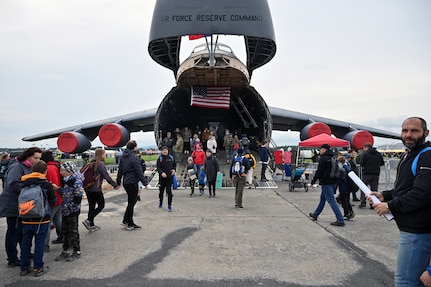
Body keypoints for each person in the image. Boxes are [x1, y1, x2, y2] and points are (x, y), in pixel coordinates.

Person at [369, 117, 431, 286]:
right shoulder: (410, 155)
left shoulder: (427, 156)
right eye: (405, 131)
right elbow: (405, 188)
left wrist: (389, 205)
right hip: (410, 229)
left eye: (414, 131)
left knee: (405, 282)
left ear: (426, 133)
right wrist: (385, 195)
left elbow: (422, 194)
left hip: (418, 232)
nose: (408, 135)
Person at [0, 147, 42, 267]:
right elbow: (12, 185)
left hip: (23, 204)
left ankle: (25, 252)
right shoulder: (17, 167)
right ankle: (12, 258)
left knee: (22, 232)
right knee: (13, 231)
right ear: (27, 157)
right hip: (13, 204)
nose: (37, 161)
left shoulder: (28, 167)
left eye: (39, 158)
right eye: (35, 158)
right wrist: (30, 190)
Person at [19, 160, 56, 276]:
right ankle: (38, 267)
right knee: (39, 243)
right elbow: (53, 200)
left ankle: (24, 267)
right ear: (45, 171)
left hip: (26, 216)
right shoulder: (45, 184)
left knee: (25, 242)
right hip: (41, 218)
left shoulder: (24, 183)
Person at [82, 148, 120, 232]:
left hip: (88, 188)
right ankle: (88, 220)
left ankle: (91, 225)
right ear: (101, 154)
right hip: (96, 188)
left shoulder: (90, 163)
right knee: (101, 205)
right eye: (104, 153)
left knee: (91, 206)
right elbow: (106, 176)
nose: (105, 155)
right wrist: (115, 185)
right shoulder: (100, 164)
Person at [309, 144, 345, 227]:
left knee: (331, 201)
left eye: (320, 149)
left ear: (324, 149)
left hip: (326, 182)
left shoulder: (324, 158)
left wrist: (313, 181)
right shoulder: (333, 157)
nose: (320, 151)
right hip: (333, 181)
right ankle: (315, 214)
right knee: (322, 199)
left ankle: (340, 219)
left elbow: (319, 171)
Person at [54, 161, 83, 262]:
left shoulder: (76, 181)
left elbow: (78, 196)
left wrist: (72, 207)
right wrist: (58, 189)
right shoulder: (67, 181)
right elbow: (66, 193)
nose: (61, 172)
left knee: (73, 231)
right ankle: (66, 250)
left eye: (63, 170)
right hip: (65, 209)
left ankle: (76, 250)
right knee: (65, 230)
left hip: (72, 210)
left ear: (69, 171)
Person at [116, 140, 147, 230]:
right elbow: (138, 171)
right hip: (133, 181)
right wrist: (145, 182)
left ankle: (126, 220)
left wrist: (118, 182)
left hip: (126, 181)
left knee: (131, 202)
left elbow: (120, 171)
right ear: (134, 147)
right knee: (132, 203)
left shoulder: (123, 157)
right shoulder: (134, 157)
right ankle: (130, 223)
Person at [40, 150, 63, 251]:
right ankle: (68, 238)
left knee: (47, 222)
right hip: (58, 197)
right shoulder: (56, 166)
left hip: (53, 198)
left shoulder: (48, 168)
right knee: (58, 221)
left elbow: (52, 184)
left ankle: (45, 245)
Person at [359, 142, 384, 209]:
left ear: (366, 147)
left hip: (367, 173)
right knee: (374, 190)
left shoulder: (365, 154)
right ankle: (373, 204)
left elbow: (362, 164)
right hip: (376, 174)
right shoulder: (378, 154)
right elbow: (382, 163)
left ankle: (363, 202)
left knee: (363, 188)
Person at [156, 146, 176, 212]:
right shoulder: (160, 159)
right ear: (162, 151)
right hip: (162, 179)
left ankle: (169, 205)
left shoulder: (171, 157)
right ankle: (160, 202)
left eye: (166, 150)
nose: (165, 151)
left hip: (169, 178)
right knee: (161, 192)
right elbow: (158, 168)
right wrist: (161, 173)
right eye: (164, 150)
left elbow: (174, 165)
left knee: (169, 192)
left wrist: (174, 170)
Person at [337, 156, 355, 220]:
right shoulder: (347, 167)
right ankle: (350, 212)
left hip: (344, 187)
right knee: (347, 200)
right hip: (348, 187)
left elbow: (342, 179)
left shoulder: (343, 169)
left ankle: (346, 213)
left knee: (344, 201)